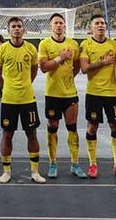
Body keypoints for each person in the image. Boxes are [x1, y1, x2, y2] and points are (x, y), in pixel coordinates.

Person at [0, 17, 45, 184]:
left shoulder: (30, 49)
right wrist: (6, 88)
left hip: (27, 99)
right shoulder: (2, 49)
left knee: (32, 133)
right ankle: (6, 172)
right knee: (7, 134)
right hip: (9, 100)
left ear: (24, 30)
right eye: (13, 27)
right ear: (8, 31)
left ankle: (35, 171)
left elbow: (34, 71)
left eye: (19, 26)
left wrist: (24, 85)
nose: (16, 29)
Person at [79, 14, 116, 179]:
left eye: (102, 23)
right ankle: (93, 164)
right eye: (97, 23)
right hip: (93, 93)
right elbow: (84, 69)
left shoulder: (114, 45)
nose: (100, 26)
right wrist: (103, 62)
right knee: (92, 127)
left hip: (111, 93)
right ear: (91, 27)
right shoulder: (86, 44)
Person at [37, 12, 86, 179]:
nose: (58, 25)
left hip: (70, 94)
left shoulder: (73, 44)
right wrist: (60, 57)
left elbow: (77, 65)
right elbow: (43, 67)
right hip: (52, 94)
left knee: (72, 128)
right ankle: (53, 163)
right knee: (53, 128)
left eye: (61, 23)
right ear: (51, 26)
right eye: (55, 23)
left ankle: (75, 164)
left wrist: (69, 76)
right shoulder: (44, 44)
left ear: (65, 26)